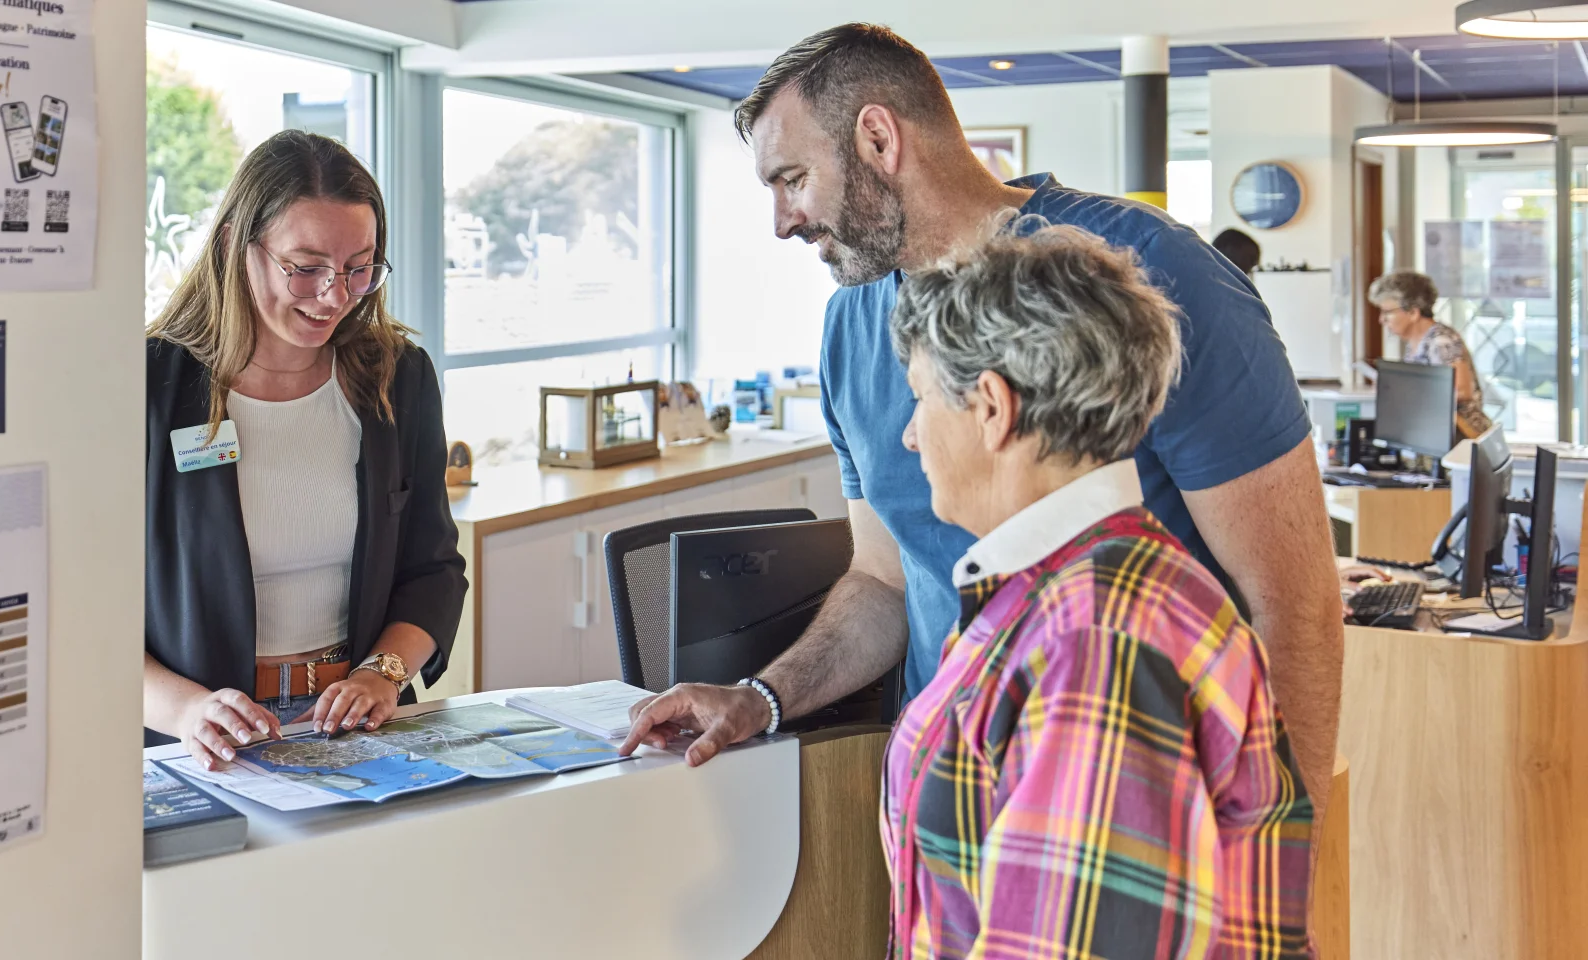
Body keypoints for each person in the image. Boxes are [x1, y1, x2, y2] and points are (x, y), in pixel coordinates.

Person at [620, 23, 1344, 827]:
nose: (783, 222)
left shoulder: (1147, 276)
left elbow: (1295, 600)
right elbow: (886, 578)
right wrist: (764, 696)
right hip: (951, 784)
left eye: (792, 178)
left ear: (877, 138)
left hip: (1142, 785)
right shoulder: (848, 327)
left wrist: (1284, 852)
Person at [880, 219, 1312, 958]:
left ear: (991, 407)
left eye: (921, 399)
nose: (910, 436)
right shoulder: (1068, 592)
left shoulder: (1096, 636)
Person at [144, 131, 467, 771]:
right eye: (308, 265)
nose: (335, 295)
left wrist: (383, 674)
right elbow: (79, 606)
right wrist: (185, 711)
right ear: (240, 243)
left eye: (359, 267)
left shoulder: (397, 378)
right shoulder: (150, 383)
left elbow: (432, 571)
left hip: (354, 734)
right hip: (196, 743)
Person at [1368, 270, 1492, 439]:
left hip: (1462, 439)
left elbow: (1462, 391)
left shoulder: (1441, 341)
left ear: (1413, 312)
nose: (1382, 320)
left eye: (1387, 312)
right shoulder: (1416, 342)